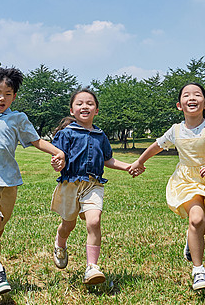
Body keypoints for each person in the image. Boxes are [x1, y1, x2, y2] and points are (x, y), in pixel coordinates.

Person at [0, 66, 65, 297]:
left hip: (9, 180)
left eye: (8, 94)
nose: (2, 98)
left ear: (14, 96)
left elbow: (36, 140)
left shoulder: (18, 119)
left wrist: (58, 152)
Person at [128, 82, 205, 291]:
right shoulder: (176, 130)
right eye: (186, 95)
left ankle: (191, 240)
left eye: (197, 95)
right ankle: (198, 271)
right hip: (186, 181)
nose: (192, 98)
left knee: (203, 225)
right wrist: (139, 162)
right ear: (179, 105)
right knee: (196, 219)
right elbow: (156, 146)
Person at [50, 88, 135, 286]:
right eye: (79, 103)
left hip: (93, 184)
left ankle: (92, 267)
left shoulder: (100, 135)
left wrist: (128, 166)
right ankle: (60, 243)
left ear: (96, 110)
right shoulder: (66, 134)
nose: (84, 106)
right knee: (68, 224)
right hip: (70, 184)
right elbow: (58, 157)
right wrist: (57, 163)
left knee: (94, 221)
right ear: (72, 110)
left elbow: (108, 159)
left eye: (90, 103)